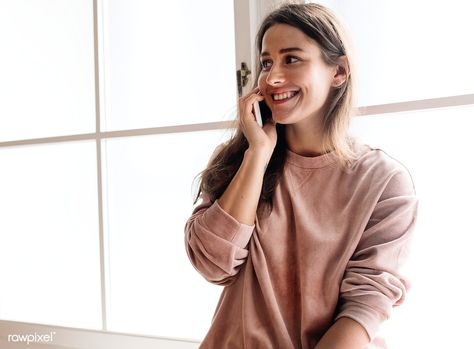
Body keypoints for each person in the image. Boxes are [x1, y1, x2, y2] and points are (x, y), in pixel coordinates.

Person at [184, 2, 418, 348]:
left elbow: (365, 307)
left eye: (291, 59)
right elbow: (212, 264)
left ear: (338, 71)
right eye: (266, 62)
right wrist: (257, 156)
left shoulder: (384, 182)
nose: (272, 78)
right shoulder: (243, 160)